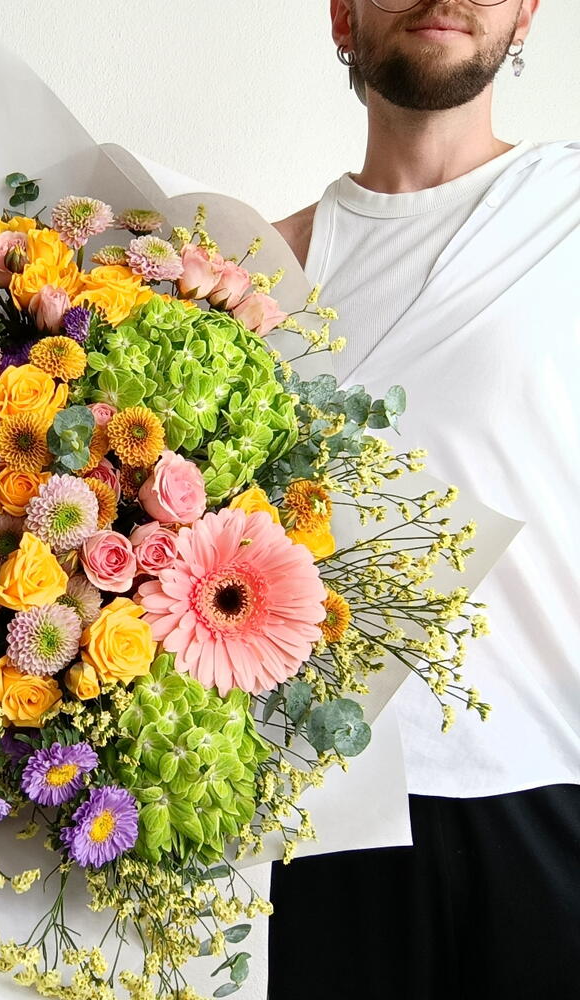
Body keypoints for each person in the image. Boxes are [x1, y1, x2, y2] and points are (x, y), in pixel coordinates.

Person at [267, 1, 580, 997]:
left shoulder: (568, 209)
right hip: (329, 805)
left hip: (552, 777)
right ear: (342, 13)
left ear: (526, 12)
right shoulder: (259, 269)